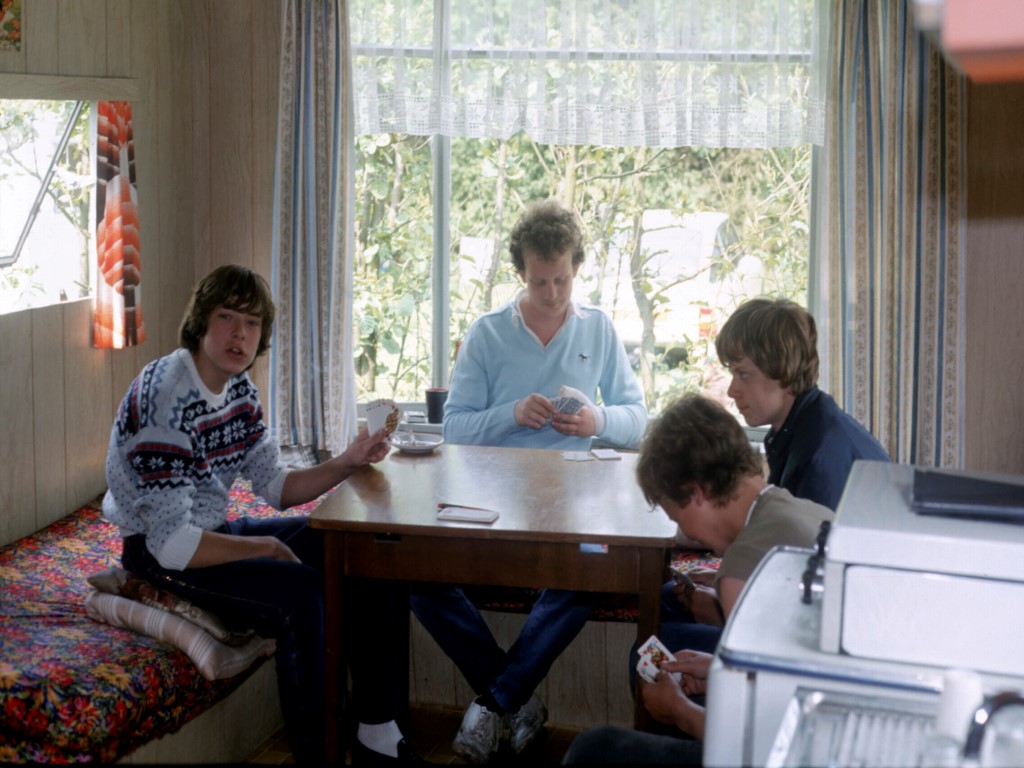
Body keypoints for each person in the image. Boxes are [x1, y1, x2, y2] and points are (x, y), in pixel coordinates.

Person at [102, 265, 417, 764]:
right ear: (201, 322)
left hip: (211, 531)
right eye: (227, 317)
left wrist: (349, 460)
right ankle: (317, 756)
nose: (240, 334)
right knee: (303, 597)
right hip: (158, 550)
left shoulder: (239, 390)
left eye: (252, 323)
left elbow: (276, 487)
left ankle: (379, 739)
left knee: (366, 551)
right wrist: (265, 548)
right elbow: (172, 545)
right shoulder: (164, 396)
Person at [410, 199, 647, 764]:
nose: (552, 293)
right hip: (492, 503)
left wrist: (597, 420)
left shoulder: (599, 327)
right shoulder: (488, 333)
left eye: (562, 279)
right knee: (417, 580)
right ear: (521, 272)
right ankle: (514, 700)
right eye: (539, 281)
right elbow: (455, 428)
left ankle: (497, 701)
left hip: (574, 504)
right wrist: (510, 414)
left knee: (587, 578)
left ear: (576, 267)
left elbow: (638, 420)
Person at [563, 393, 834, 765]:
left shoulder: (742, 570)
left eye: (676, 516)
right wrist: (721, 670)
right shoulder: (808, 512)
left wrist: (679, 712)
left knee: (592, 751)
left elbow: (759, 747)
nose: (683, 531)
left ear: (697, 493)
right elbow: (794, 674)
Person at [652, 297, 891, 663]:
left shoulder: (820, 454)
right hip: (813, 615)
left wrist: (718, 604)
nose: (732, 390)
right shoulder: (796, 431)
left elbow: (802, 611)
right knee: (667, 598)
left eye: (743, 374)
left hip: (852, 642)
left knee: (662, 640)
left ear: (783, 371)